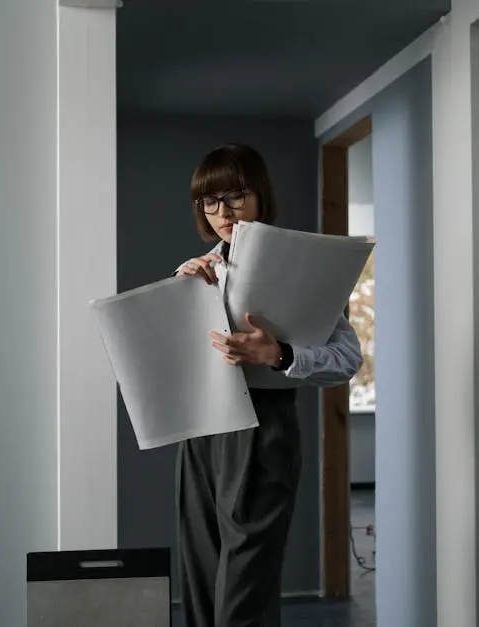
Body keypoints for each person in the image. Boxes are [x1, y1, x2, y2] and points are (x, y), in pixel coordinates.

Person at [174, 143, 362, 627]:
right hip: (200, 431)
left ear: (260, 196)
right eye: (209, 201)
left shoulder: (300, 262)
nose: (222, 212)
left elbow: (346, 360)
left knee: (245, 594)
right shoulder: (199, 270)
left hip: (262, 429)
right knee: (200, 578)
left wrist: (278, 355)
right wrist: (182, 299)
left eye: (235, 196)